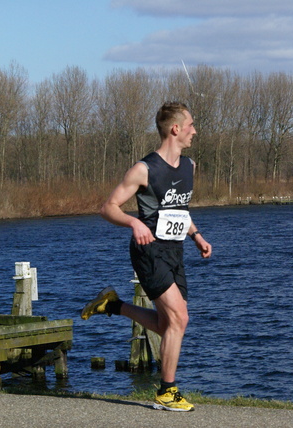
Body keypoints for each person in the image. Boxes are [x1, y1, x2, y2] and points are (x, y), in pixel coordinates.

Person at [81, 101, 212, 412]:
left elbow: (178, 209)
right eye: (191, 125)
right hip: (148, 250)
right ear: (175, 129)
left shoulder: (190, 166)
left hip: (174, 251)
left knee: (169, 324)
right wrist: (134, 222)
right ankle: (167, 392)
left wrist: (196, 235)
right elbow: (108, 207)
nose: (195, 130)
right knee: (180, 318)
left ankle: (113, 304)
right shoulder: (144, 169)